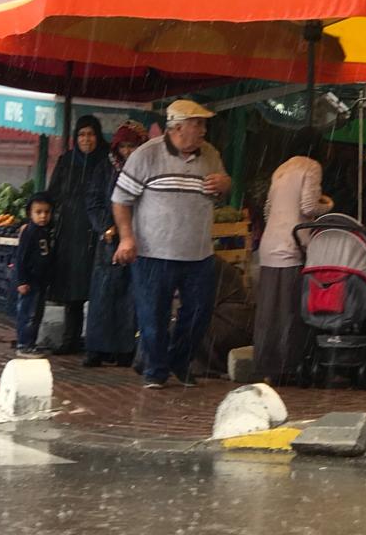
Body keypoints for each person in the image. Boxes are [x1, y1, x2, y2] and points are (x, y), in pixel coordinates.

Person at [112, 99, 232, 389]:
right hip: (153, 253)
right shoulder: (146, 154)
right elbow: (121, 200)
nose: (203, 130)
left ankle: (180, 362)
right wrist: (127, 238)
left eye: (203, 124)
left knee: (200, 312)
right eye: (197, 124)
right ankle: (156, 370)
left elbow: (223, 187)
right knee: (153, 315)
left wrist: (224, 184)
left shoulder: (210, 154)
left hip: (199, 253)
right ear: (177, 127)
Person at [255, 128, 334, 385]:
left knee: (268, 310)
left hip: (269, 243)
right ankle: (288, 365)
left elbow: (268, 210)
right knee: (289, 309)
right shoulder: (311, 166)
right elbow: (308, 207)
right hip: (293, 243)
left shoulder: (281, 169)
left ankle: (266, 365)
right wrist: (328, 205)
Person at [83, 120, 149, 368]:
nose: (127, 151)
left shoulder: (147, 169)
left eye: (132, 146)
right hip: (109, 242)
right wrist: (107, 227)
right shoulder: (106, 168)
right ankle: (96, 348)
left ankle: (124, 350)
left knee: (129, 295)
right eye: (123, 147)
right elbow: (94, 200)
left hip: (139, 239)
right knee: (103, 294)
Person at [47, 115, 107, 354]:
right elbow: (53, 193)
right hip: (70, 231)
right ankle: (69, 338)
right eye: (81, 135)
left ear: (98, 136)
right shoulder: (67, 161)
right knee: (71, 288)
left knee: (97, 288)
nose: (86, 139)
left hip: (97, 230)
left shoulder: (105, 161)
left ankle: (95, 342)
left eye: (91, 134)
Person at [14, 192, 55, 358]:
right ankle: (24, 344)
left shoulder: (45, 231)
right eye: (38, 212)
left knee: (37, 313)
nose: (43, 216)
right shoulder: (29, 232)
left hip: (40, 280)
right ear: (30, 213)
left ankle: (31, 343)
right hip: (30, 281)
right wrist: (22, 281)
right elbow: (21, 258)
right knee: (28, 314)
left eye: (47, 212)